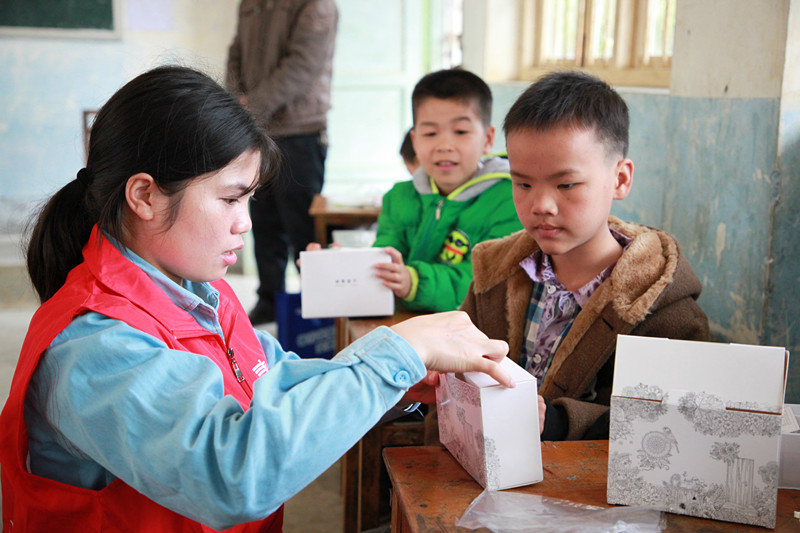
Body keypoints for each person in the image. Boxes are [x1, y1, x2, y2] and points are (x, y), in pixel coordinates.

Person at [0, 66, 515, 533]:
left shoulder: (200, 291)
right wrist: (394, 356)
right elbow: (232, 474)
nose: (244, 222)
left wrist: (391, 383)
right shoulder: (95, 346)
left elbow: (272, 380)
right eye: (229, 198)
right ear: (145, 196)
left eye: (248, 199)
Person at [461, 71, 710, 441]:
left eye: (566, 185)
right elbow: (458, 387)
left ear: (620, 180)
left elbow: (671, 431)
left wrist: (558, 423)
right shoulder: (494, 277)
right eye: (523, 183)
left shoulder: (666, 313)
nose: (541, 205)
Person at [373, 69, 522, 313]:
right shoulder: (399, 197)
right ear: (415, 140)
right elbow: (385, 256)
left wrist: (414, 282)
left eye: (461, 132)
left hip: (475, 336)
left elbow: (483, 283)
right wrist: (350, 266)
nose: (444, 146)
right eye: (430, 133)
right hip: (406, 328)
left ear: (487, 139)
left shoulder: (510, 199)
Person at [225, 0, 338, 325]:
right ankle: (270, 301)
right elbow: (237, 52)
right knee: (263, 221)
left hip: (301, 131)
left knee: (304, 227)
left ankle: (316, 311)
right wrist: (236, 100)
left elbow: (302, 65)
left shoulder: (316, 5)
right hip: (257, 128)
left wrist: (253, 104)